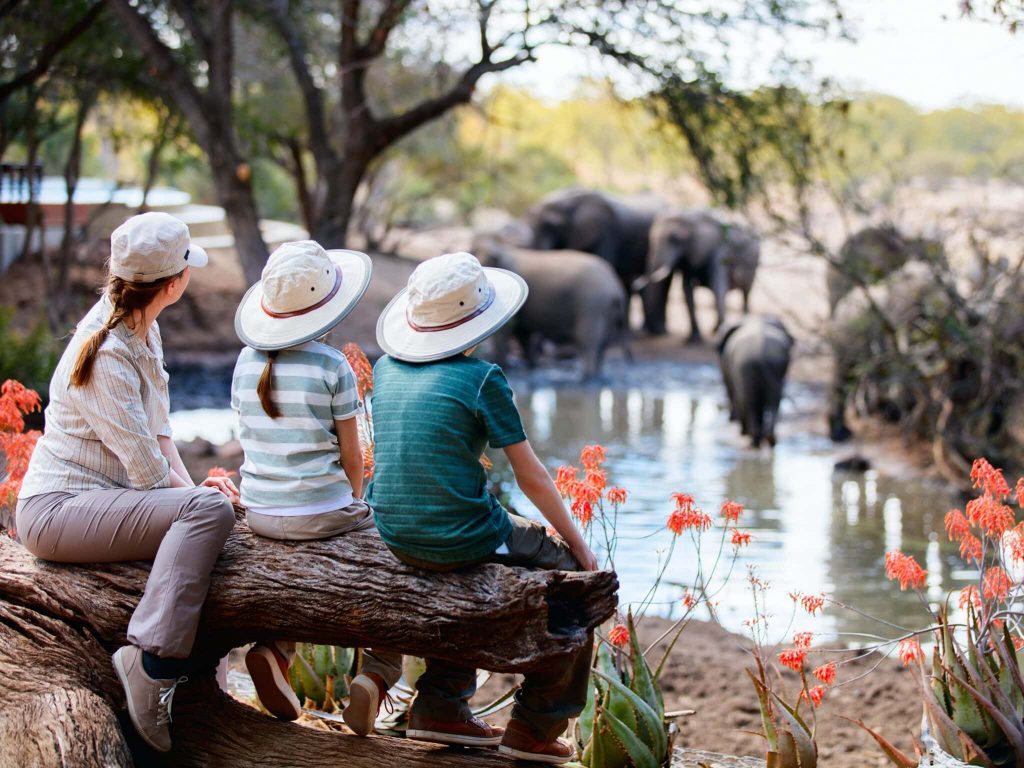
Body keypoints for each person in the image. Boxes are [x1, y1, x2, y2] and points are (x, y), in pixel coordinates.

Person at [14, 212, 239, 753]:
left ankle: (199, 684)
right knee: (210, 515)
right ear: (173, 283)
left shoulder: (143, 328)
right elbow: (145, 472)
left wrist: (198, 488)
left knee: (210, 509)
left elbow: (160, 436)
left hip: (100, 502)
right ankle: (150, 662)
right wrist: (199, 503)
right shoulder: (108, 351)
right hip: (56, 511)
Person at [367, 251, 599, 765]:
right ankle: (537, 724)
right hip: (460, 535)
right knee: (575, 588)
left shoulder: (385, 368)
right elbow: (531, 475)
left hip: (393, 531)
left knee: (461, 569)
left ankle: (442, 704)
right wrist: (580, 546)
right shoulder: (481, 378)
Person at [231, 240, 401, 735]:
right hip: (323, 511)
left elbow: (248, 439)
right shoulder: (333, 367)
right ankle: (378, 673)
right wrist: (354, 503)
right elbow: (352, 457)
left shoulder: (244, 363)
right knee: (392, 566)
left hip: (260, 511)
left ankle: (276, 649)